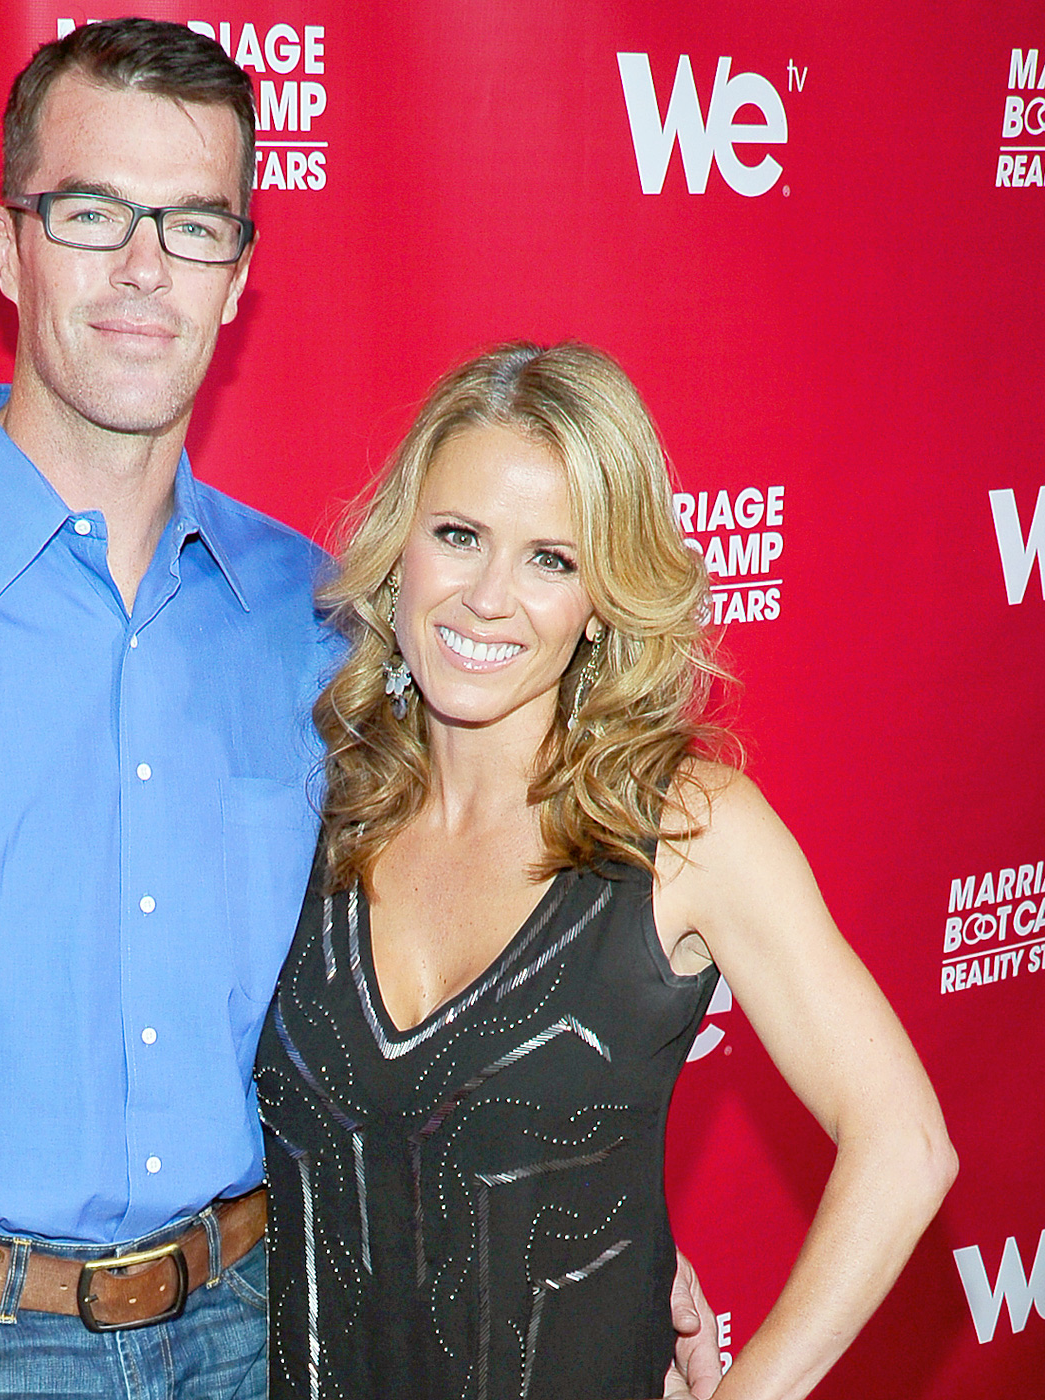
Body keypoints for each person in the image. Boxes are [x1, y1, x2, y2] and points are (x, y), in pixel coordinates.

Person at [0, 21, 719, 1400]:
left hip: (268, 1327)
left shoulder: (327, 625)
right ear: (8, 245)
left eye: (194, 224)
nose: (144, 268)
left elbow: (464, 969)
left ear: (237, 276)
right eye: (93, 213)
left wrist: (602, 1225)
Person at [256, 342, 958, 1400]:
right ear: (400, 550)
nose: (489, 596)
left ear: (602, 598)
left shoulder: (685, 829)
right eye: (459, 535)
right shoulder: (308, 802)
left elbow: (904, 1145)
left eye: (552, 559)